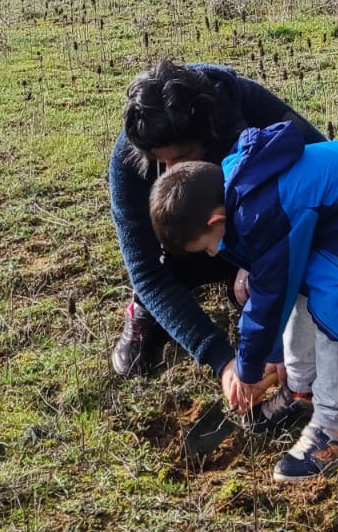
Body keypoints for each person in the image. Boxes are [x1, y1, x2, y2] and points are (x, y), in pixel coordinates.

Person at [150, 123, 338, 483]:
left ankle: (331, 429)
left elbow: (269, 299)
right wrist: (268, 355)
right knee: (305, 289)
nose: (215, 252)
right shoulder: (234, 188)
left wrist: (248, 368)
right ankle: (301, 390)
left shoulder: (261, 212)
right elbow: (281, 282)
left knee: (333, 309)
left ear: (216, 219)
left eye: (209, 245)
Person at [108, 61, 325, 424]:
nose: (169, 172)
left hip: (254, 230)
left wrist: (260, 258)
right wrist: (222, 359)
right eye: (160, 162)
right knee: (147, 324)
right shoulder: (131, 156)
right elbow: (146, 271)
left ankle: (240, 284)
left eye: (180, 159)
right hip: (182, 249)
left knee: (282, 301)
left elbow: (320, 172)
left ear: (211, 137)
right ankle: (145, 311)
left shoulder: (248, 108)